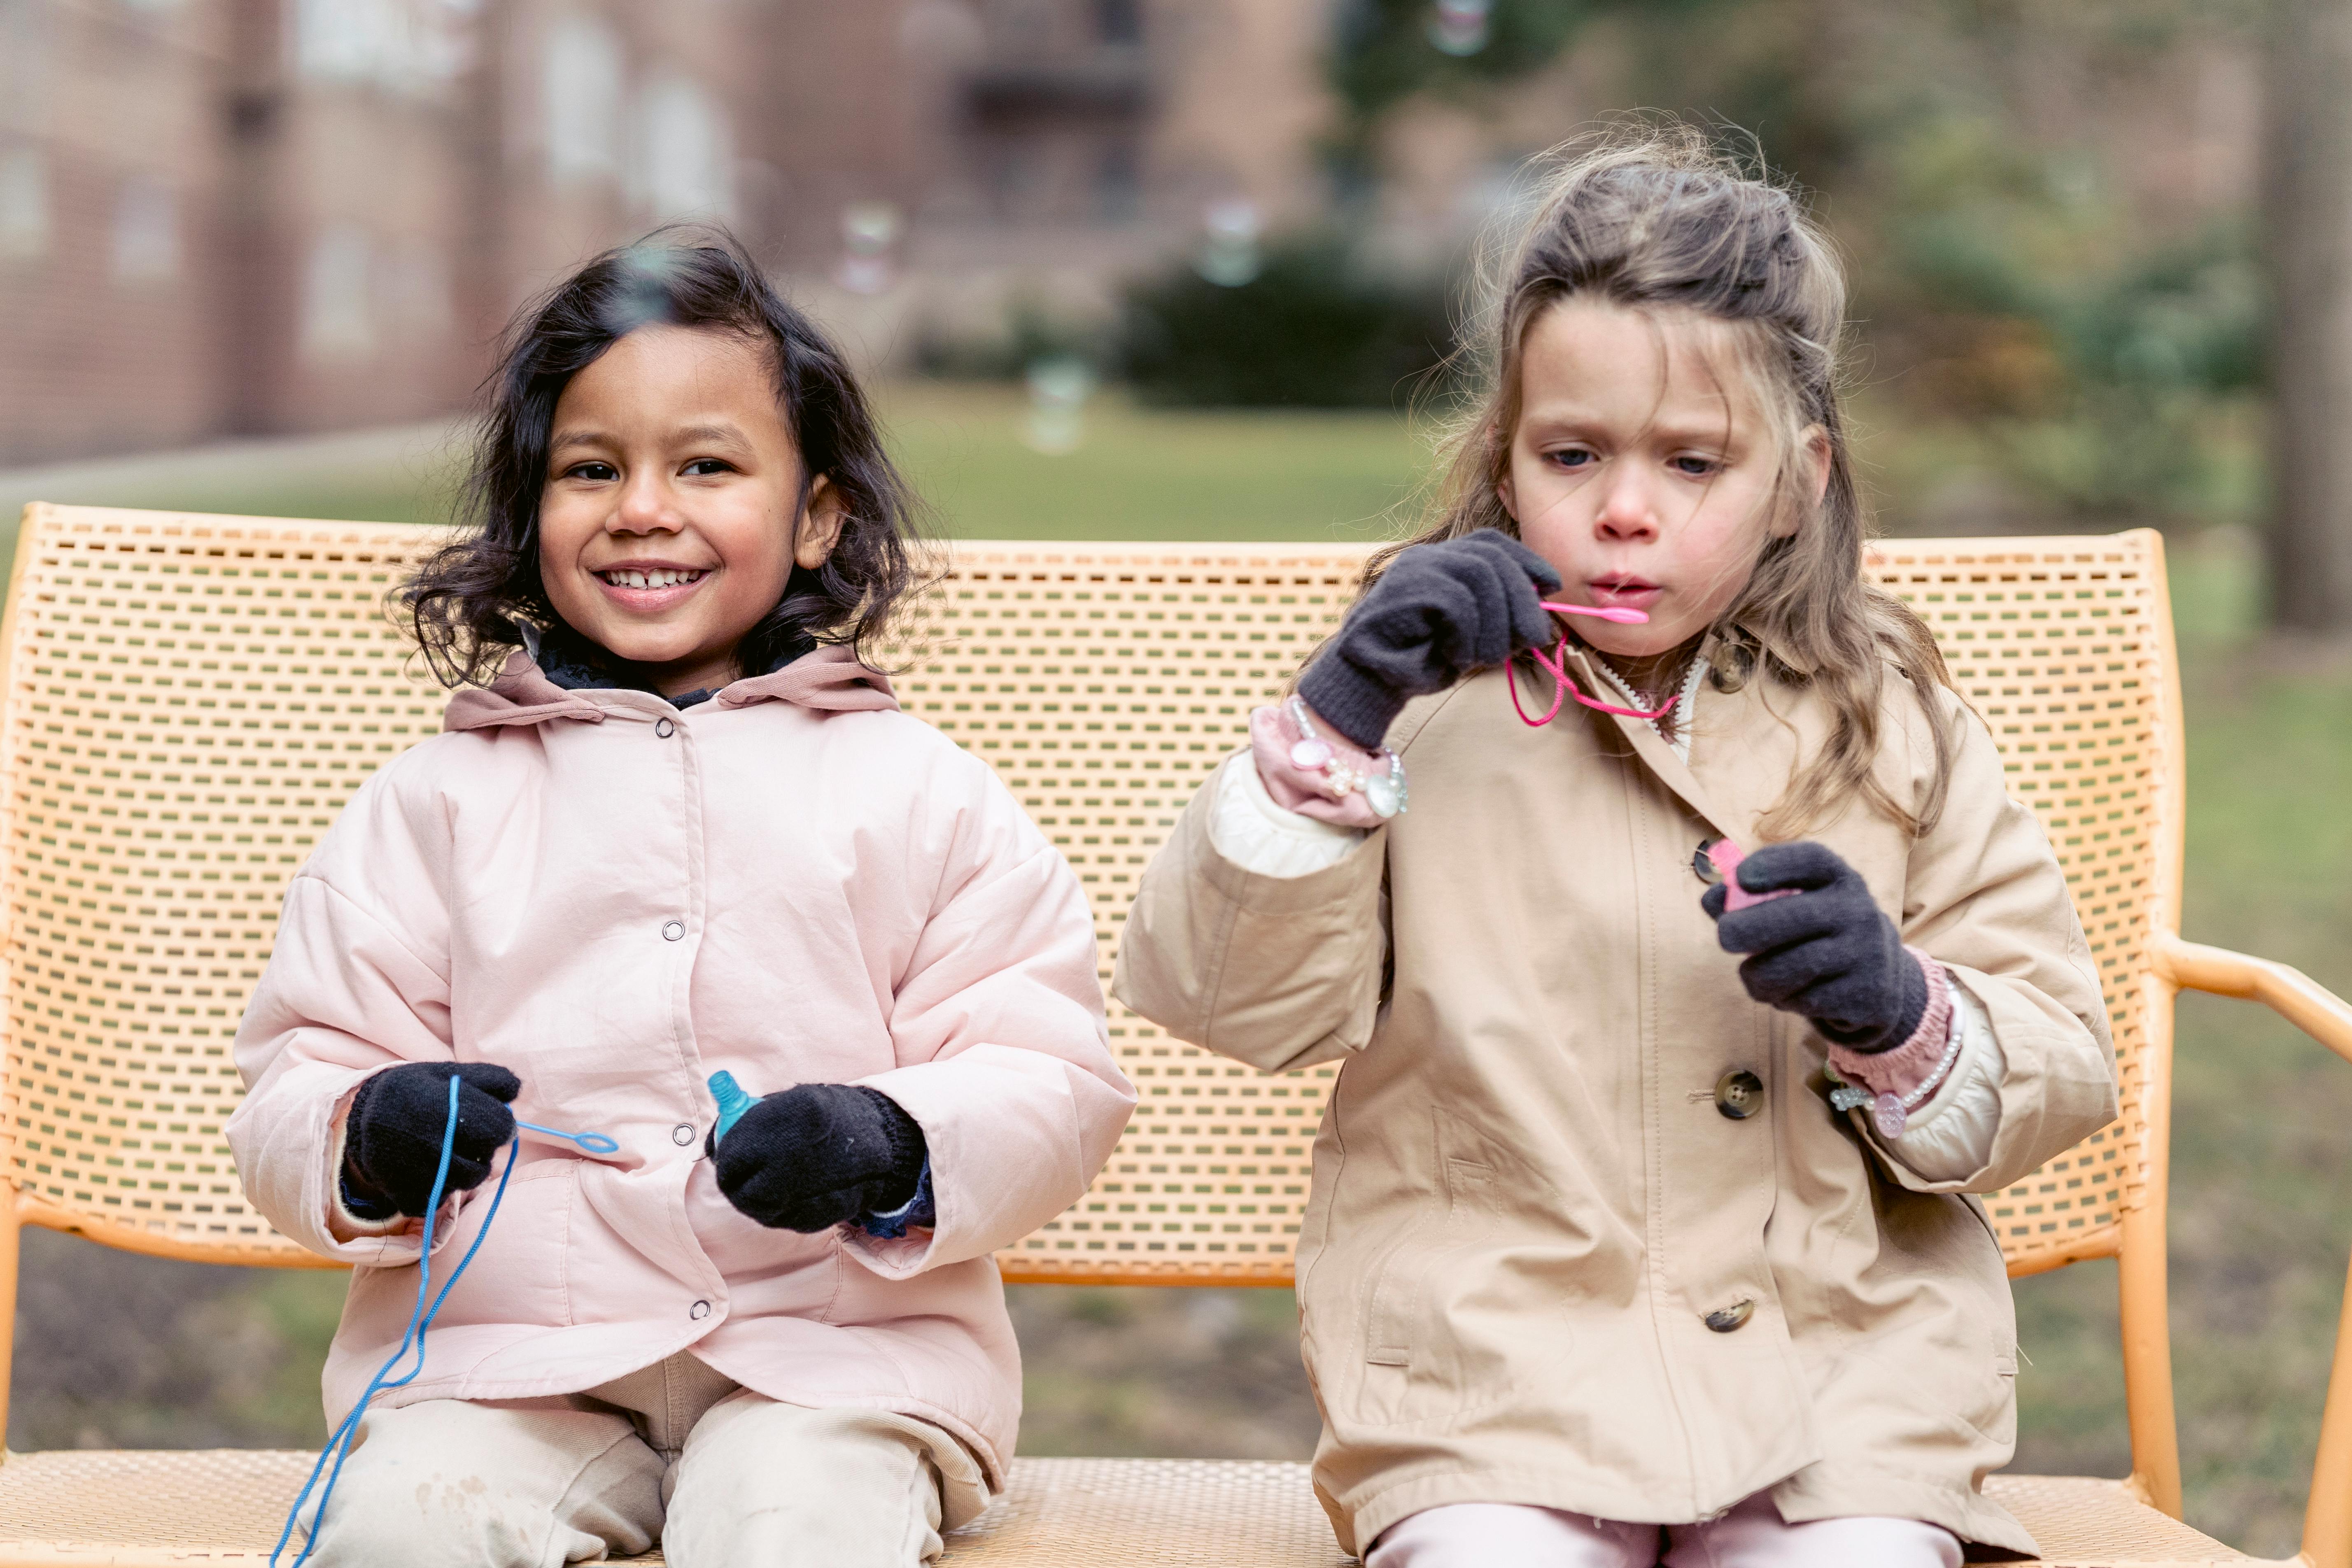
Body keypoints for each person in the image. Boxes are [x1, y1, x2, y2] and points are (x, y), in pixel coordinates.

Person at [1114, 128, 2117, 1567]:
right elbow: (1224, 1000)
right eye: (1570, 453)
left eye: (1691, 459)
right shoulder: (1414, 706)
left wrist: (1899, 1012)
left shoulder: (1893, 724)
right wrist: (1341, 714)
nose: (1623, 508)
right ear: (1504, 457)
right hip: (1493, 1378)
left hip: (1839, 1380)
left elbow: (2058, 1062)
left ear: (1798, 478)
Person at [228, 233, 1135, 1568]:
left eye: (706, 465)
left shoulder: (919, 792)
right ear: (528, 510)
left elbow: (1048, 1075)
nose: (642, 508)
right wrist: (368, 1131)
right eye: (591, 469)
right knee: (403, 1527)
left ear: (818, 513)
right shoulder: (435, 802)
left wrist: (888, 1138)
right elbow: (297, 1074)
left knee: (791, 1529)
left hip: (828, 1368)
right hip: (510, 1366)